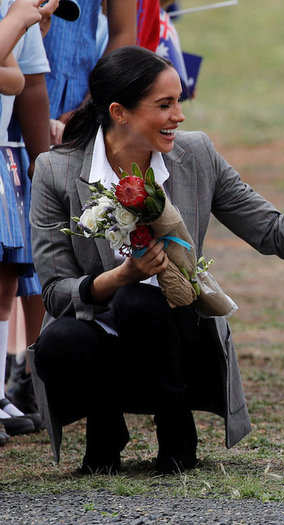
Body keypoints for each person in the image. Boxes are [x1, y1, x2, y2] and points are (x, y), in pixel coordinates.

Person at [30, 46, 284, 474]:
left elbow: (277, 237)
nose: (180, 115)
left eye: (178, 101)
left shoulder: (196, 154)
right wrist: (122, 276)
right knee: (60, 342)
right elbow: (54, 292)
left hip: (181, 333)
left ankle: (177, 430)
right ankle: (105, 431)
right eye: (165, 105)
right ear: (119, 112)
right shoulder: (55, 171)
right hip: (99, 332)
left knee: (140, 304)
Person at [0, 0, 57, 443]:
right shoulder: (19, 9)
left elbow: (24, 79)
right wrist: (17, 21)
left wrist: (41, 158)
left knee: (5, 280)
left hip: (4, 151)